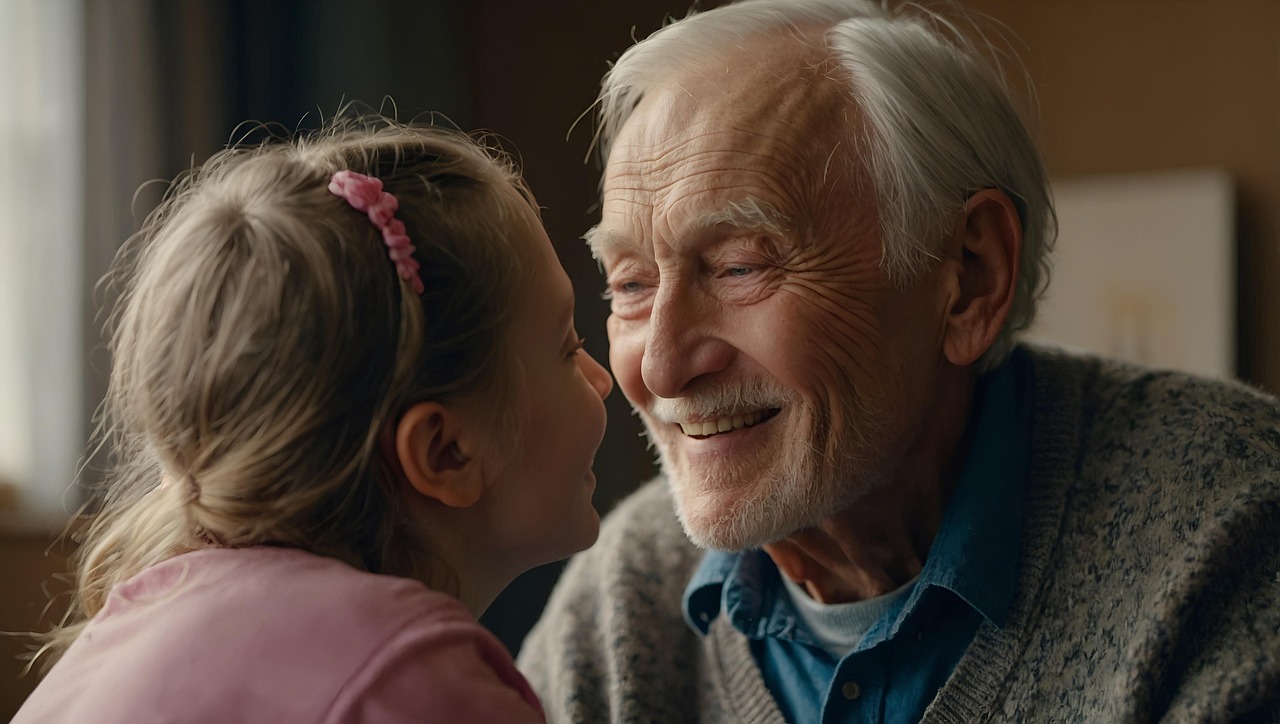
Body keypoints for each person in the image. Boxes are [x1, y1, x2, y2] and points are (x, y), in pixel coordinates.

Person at [517, 0, 1280, 721]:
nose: (660, 368)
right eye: (631, 285)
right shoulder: (621, 599)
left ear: (968, 278)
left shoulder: (1228, 527)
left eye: (741, 266)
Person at [15, 117, 613, 723]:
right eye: (567, 345)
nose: (603, 377)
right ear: (445, 452)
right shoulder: (412, 678)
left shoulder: (120, 632)